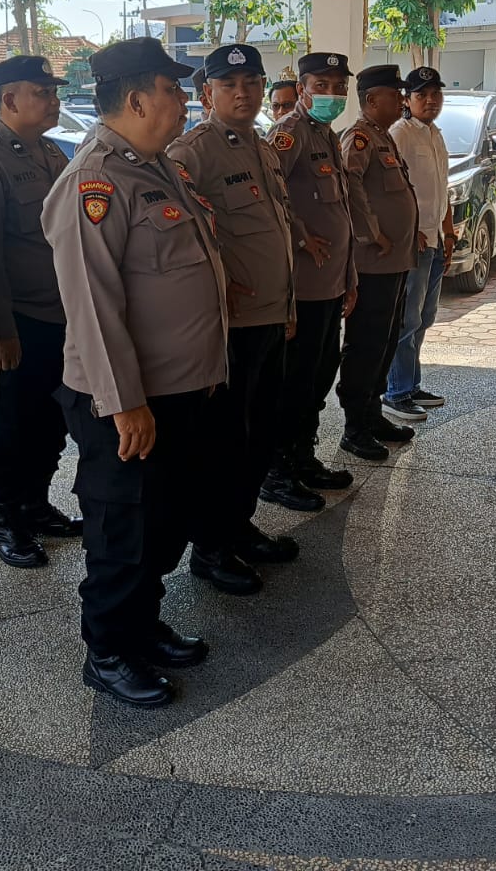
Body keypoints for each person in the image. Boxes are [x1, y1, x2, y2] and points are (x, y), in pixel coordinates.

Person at [42, 36, 226, 708]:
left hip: (178, 392)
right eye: (174, 90)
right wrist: (126, 404)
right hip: (126, 400)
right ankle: (110, 650)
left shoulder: (156, 167)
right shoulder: (94, 181)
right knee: (125, 530)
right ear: (138, 97)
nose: (183, 102)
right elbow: (93, 305)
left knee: (164, 520)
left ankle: (143, 627)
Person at [169, 43, 302, 598]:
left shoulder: (262, 147)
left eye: (251, 82)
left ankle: (239, 525)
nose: (243, 92)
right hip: (233, 326)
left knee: (260, 432)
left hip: (272, 316)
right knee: (226, 438)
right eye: (230, 84)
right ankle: (211, 546)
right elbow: (180, 236)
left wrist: (290, 308)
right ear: (207, 94)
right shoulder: (191, 152)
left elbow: (276, 231)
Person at [0, 54, 84, 571]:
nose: (54, 101)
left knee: (51, 421)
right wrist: (3, 330)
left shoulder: (53, 153)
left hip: (62, 314)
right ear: (8, 100)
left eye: (54, 92)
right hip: (22, 321)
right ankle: (6, 522)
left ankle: (36, 503)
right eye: (43, 92)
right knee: (12, 426)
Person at [267, 51, 356, 495]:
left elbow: (341, 212)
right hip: (303, 283)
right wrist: (301, 235)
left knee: (320, 375)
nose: (332, 93)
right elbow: (271, 194)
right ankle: (278, 469)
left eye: (339, 86)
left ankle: (304, 455)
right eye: (321, 85)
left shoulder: (327, 133)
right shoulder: (290, 133)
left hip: (331, 281)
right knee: (296, 381)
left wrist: (351, 278)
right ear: (301, 88)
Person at [337, 64, 420, 461]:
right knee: (366, 344)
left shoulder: (383, 138)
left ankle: (373, 414)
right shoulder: (358, 139)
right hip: (372, 263)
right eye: (396, 94)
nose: (403, 100)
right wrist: (372, 232)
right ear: (372, 100)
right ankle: (354, 427)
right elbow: (348, 185)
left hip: (395, 262)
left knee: (386, 342)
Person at [384, 66, 456, 423]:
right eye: (422, 95)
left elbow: (441, 188)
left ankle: (410, 384)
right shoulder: (400, 134)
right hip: (414, 242)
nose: (430, 101)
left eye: (436, 94)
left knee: (425, 317)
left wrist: (449, 229)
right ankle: (395, 392)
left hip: (436, 239)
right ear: (407, 100)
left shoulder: (435, 134)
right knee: (406, 320)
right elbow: (393, 192)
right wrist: (409, 232)